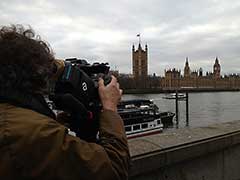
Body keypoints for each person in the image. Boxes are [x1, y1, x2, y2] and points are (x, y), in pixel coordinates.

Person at [0, 24, 130, 180]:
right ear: (34, 73)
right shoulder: (33, 132)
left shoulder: (12, 117)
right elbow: (114, 169)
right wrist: (109, 107)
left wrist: (56, 123)